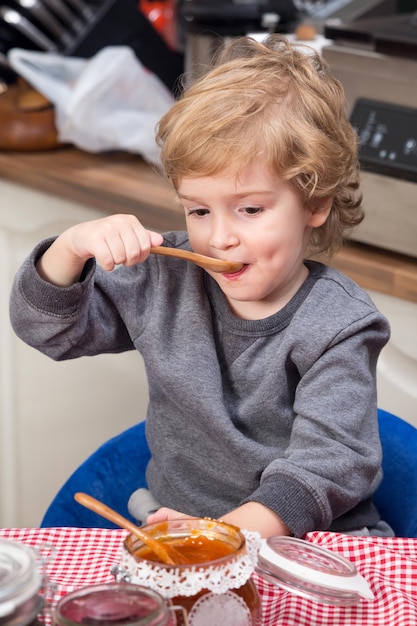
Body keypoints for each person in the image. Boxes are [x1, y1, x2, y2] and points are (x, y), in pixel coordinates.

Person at [9, 34, 393, 538]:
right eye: (199, 210)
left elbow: (329, 465)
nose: (219, 238)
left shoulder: (339, 324)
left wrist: (221, 537)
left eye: (250, 209)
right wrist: (70, 249)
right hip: (180, 534)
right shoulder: (162, 279)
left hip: (308, 546)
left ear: (315, 204)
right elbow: (47, 331)